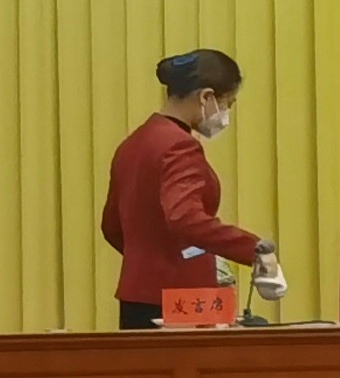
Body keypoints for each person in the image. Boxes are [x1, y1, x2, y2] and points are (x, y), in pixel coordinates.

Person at [102, 49, 262, 325]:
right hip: (180, 299)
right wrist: (255, 249)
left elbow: (111, 227)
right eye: (228, 103)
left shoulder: (132, 143)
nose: (226, 114)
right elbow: (186, 218)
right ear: (206, 97)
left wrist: (149, 260)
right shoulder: (180, 145)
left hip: (135, 300)